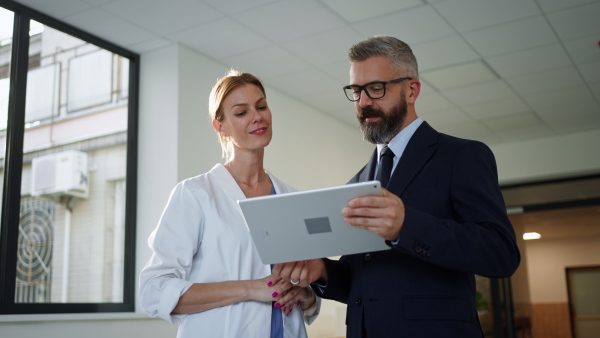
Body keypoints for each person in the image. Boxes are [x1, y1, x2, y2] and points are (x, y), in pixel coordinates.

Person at [271, 36, 521, 337]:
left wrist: (407, 226)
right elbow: (362, 285)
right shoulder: (359, 181)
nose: (363, 102)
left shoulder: (462, 156)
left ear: (412, 89)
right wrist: (323, 272)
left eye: (376, 88)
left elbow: (501, 254)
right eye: (356, 91)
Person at [139, 70, 320, 338]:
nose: (258, 116)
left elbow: (306, 284)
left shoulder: (291, 198)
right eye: (241, 112)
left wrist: (305, 295)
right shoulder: (195, 195)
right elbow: (154, 291)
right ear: (220, 126)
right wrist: (250, 288)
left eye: (261, 106)